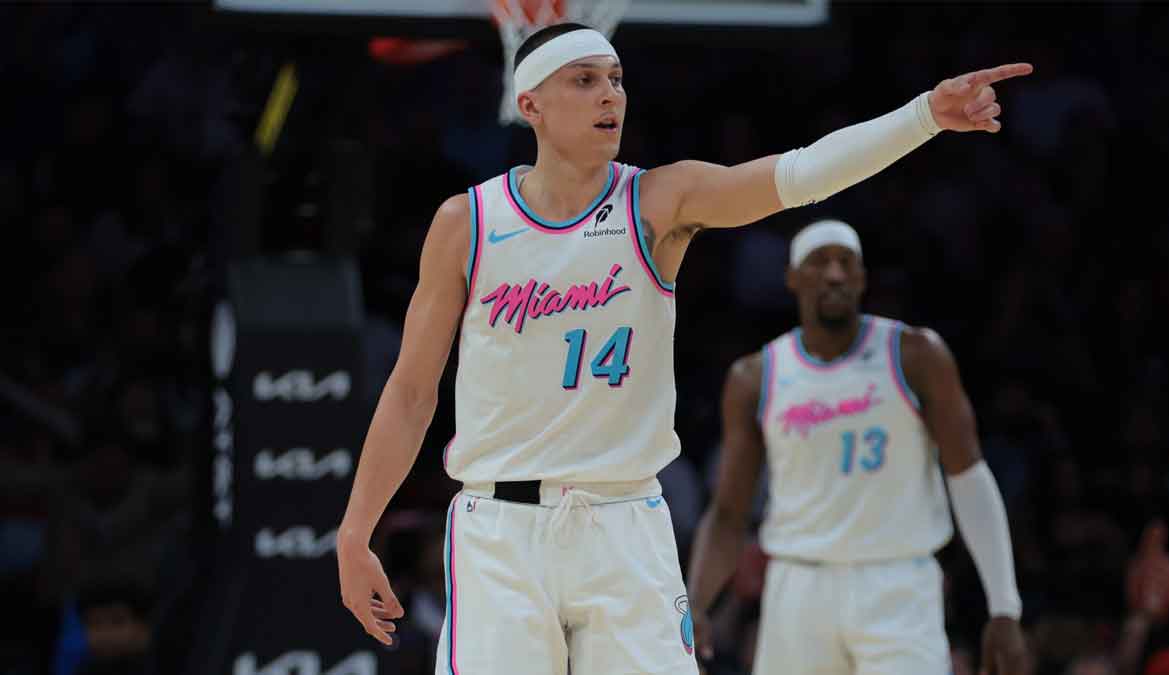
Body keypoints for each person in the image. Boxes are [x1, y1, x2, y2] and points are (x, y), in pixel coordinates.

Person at [335, 20, 1031, 675]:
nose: (610, 94)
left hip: (624, 522)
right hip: (499, 527)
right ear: (531, 103)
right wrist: (355, 528)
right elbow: (411, 391)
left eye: (616, 79)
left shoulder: (658, 201)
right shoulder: (468, 221)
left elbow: (803, 174)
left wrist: (924, 117)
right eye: (584, 80)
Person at [687, 219, 1031, 674]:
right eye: (819, 263)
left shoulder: (916, 355)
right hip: (798, 586)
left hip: (898, 583)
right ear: (792, 279)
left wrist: (1004, 605)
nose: (834, 274)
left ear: (863, 278)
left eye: (846, 263)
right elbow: (729, 512)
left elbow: (969, 477)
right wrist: (695, 601)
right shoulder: (756, 377)